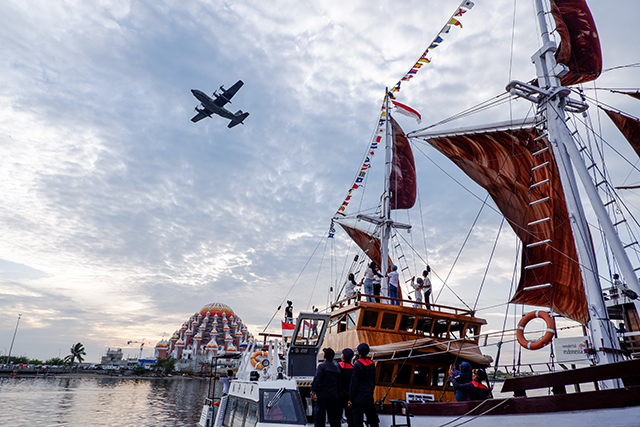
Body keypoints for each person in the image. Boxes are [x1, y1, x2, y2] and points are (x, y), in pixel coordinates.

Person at [349, 343, 379, 427]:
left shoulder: (357, 365)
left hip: (358, 396)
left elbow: (354, 383)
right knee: (372, 418)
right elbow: (373, 381)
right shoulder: (372, 364)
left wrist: (351, 398)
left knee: (358, 419)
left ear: (359, 352)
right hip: (369, 395)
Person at [311, 348, 341, 427]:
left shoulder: (322, 367)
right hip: (333, 396)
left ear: (324, 356)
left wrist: (313, 391)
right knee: (334, 418)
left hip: (322, 395)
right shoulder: (337, 368)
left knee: (320, 417)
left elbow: (317, 379)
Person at [338, 348, 354, 427]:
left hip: (339, 395)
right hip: (350, 395)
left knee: (337, 416)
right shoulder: (353, 367)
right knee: (350, 417)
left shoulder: (338, 366)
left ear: (343, 357)